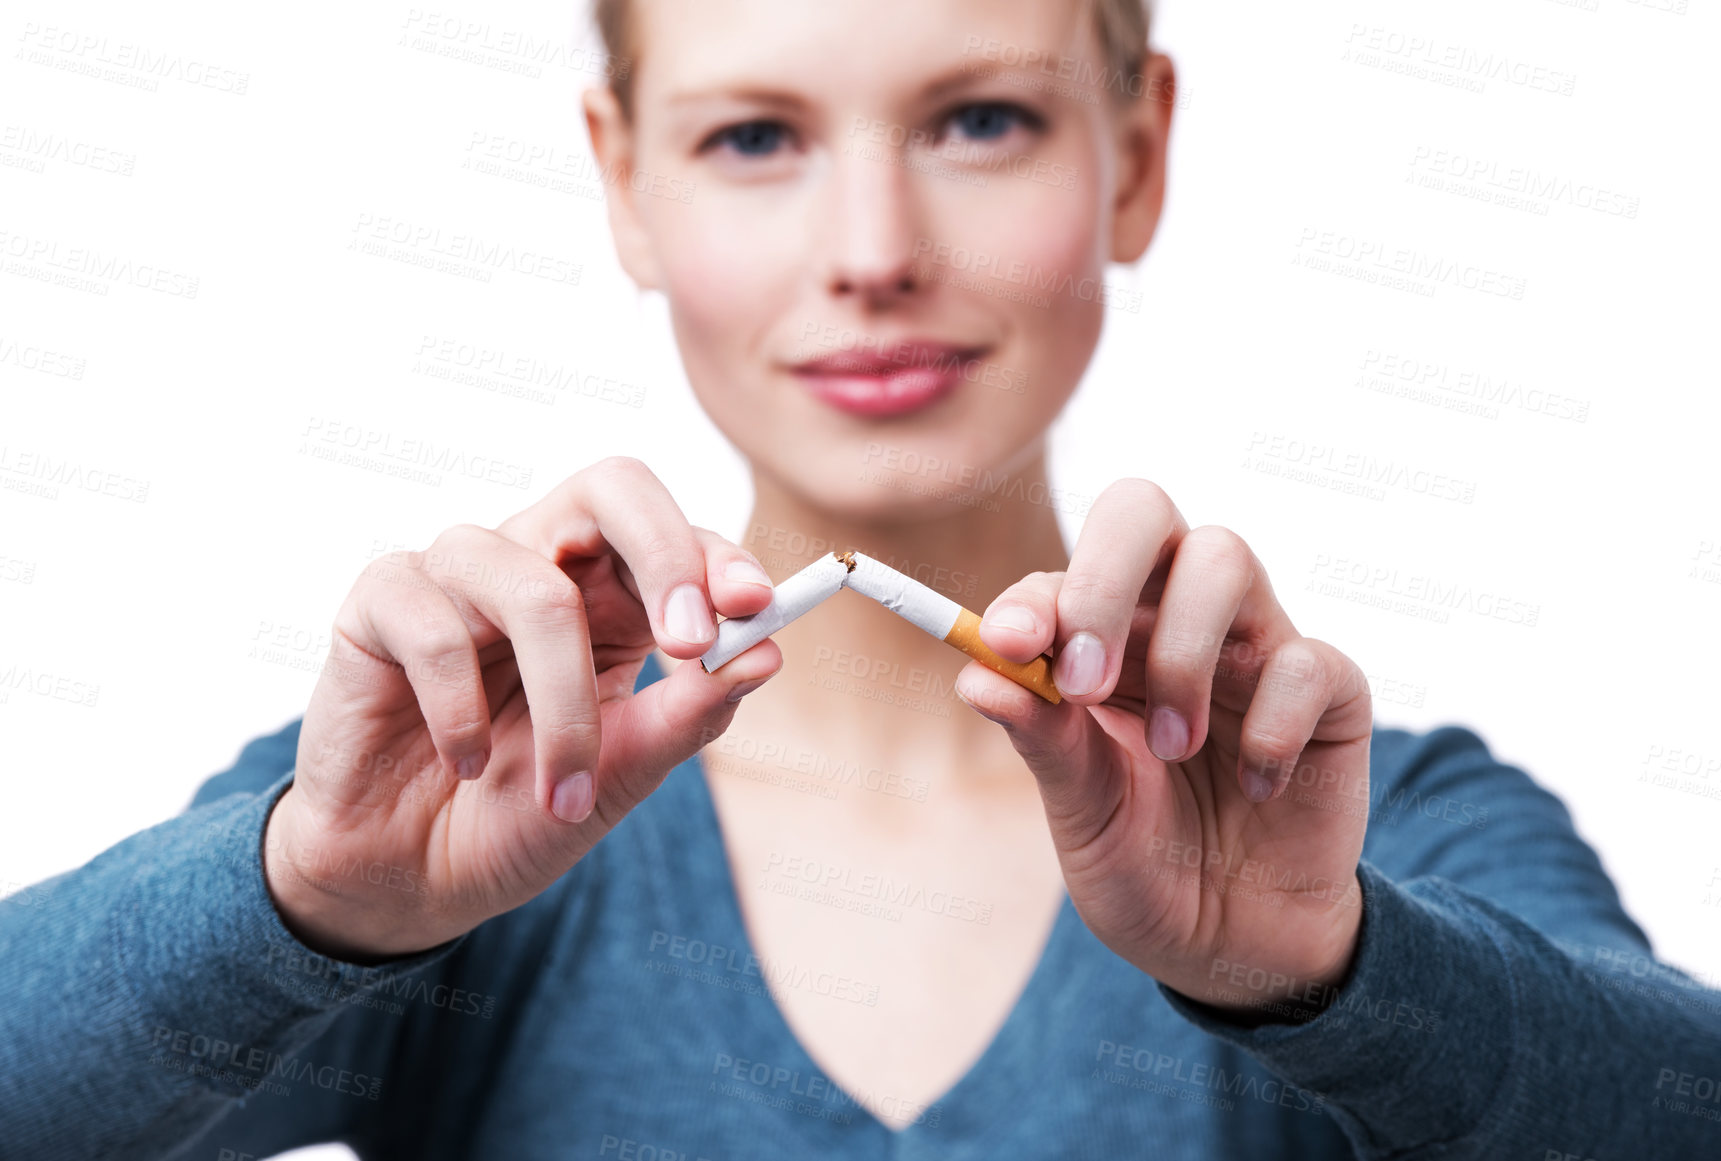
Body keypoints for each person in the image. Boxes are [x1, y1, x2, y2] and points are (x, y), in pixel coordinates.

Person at [3, 0, 1718, 1157]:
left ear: (1134, 150)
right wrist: (315, 907)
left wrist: (1325, 969)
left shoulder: (1364, 824)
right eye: (755, 138)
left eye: (978, 118)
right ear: (623, 179)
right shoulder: (442, 800)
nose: (874, 253)